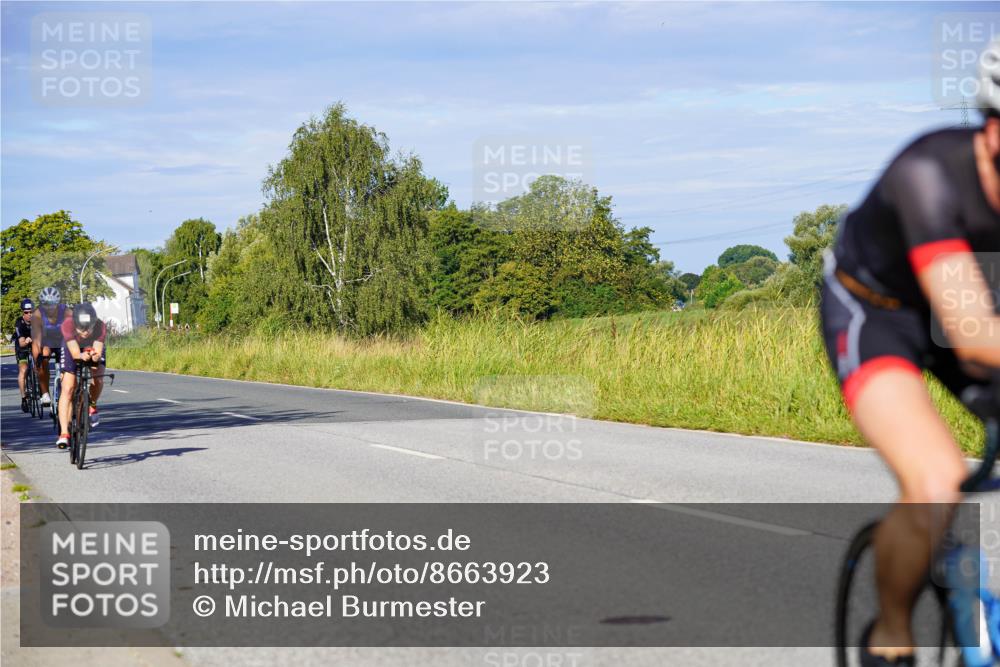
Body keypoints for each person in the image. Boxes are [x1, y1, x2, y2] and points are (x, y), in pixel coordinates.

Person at [821, 40, 1000, 665]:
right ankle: (890, 634)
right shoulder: (930, 174)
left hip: (977, 308)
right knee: (935, 479)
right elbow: (973, 332)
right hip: (879, 314)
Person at [56, 303, 107, 449]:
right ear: (75, 324)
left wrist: (93, 356)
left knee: (98, 376)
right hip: (72, 347)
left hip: (91, 347)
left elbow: (97, 354)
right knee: (68, 388)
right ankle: (64, 433)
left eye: (88, 328)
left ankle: (91, 404)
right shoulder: (67, 325)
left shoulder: (100, 326)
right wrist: (81, 355)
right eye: (81, 328)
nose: (85, 332)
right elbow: (75, 354)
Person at [30, 286, 70, 407]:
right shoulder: (37, 314)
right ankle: (45, 393)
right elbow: (36, 340)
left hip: (63, 339)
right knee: (44, 356)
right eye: (46, 305)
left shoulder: (66, 311)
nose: (50, 307)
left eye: (53, 304)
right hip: (47, 340)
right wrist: (37, 360)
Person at [12, 298, 35, 412]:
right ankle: (24, 398)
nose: (29, 314)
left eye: (31, 311)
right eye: (27, 312)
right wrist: (26, 341)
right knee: (24, 370)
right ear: (23, 313)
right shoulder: (19, 323)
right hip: (22, 347)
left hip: (34, 345)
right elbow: (21, 343)